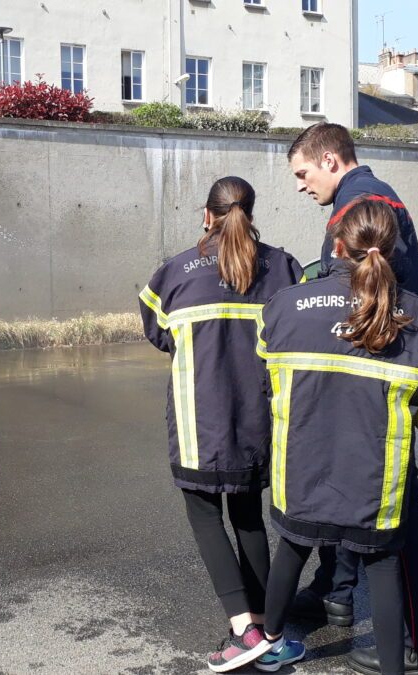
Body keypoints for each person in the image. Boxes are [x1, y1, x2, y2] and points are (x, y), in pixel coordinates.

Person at [253, 199, 418, 675]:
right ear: (393, 250)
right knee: (381, 567)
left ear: (338, 246)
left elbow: (264, 366)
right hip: (375, 483)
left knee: (292, 548)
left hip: (302, 472)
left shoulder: (284, 306)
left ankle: (268, 645)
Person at [287, 121, 418, 674]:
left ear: (330, 160)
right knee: (350, 492)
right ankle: (334, 589)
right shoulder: (374, 197)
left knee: (397, 517)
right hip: (381, 381)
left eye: (304, 173)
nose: (301, 186)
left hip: (377, 387)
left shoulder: (355, 209)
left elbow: (357, 302)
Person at [139, 176, 306, 673]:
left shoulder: (174, 272)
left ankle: (243, 629)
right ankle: (265, 630)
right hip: (259, 419)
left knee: (205, 516)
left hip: (199, 420)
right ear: (250, 213)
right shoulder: (283, 267)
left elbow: (158, 332)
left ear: (206, 214)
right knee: (248, 516)